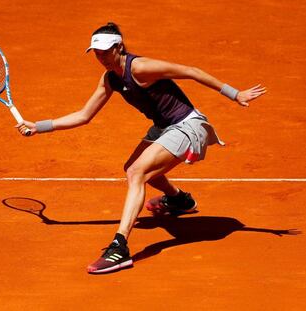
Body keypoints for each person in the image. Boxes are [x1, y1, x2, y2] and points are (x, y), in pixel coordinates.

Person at [17, 22, 266, 274]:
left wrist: (235, 94)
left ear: (119, 47)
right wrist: (40, 126)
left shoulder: (141, 68)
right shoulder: (110, 78)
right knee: (132, 168)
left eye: (105, 51)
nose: (101, 57)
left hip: (187, 126)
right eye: (96, 52)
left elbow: (191, 71)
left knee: (137, 172)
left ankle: (119, 247)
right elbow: (84, 115)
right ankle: (179, 200)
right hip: (164, 126)